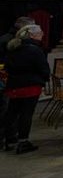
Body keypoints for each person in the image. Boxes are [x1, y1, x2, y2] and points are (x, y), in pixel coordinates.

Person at [2, 25, 49, 153]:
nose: (42, 34)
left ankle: (9, 140)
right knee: (26, 114)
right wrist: (43, 79)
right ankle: (23, 142)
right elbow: (44, 69)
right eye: (40, 33)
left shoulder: (13, 47)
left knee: (12, 113)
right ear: (32, 35)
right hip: (31, 86)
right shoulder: (35, 50)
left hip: (14, 85)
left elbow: (7, 66)